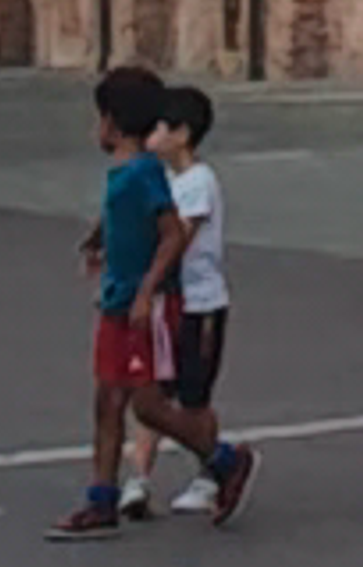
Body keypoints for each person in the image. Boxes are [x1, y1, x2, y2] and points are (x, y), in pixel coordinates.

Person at [55, 71, 252, 532]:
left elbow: (171, 234)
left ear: (113, 124)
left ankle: (224, 459)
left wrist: (148, 291)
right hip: (117, 300)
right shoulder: (126, 174)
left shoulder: (144, 173)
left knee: (146, 405)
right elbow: (121, 218)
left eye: (99, 119)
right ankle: (101, 497)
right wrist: (97, 239)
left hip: (145, 304)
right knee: (107, 399)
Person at [120, 82, 237, 518]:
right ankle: (139, 478)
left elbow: (175, 241)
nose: (150, 138)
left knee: (192, 396)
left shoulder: (198, 183)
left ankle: (211, 472)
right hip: (167, 304)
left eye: (159, 129)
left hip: (199, 304)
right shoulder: (164, 179)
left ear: (182, 134)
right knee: (152, 392)